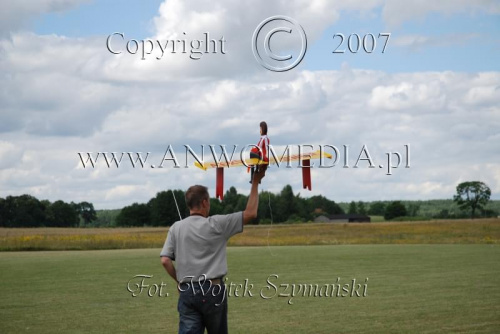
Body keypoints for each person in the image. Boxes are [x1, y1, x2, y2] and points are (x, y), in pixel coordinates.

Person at [160, 166, 267, 334]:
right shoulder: (217, 224)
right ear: (204, 202)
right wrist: (255, 182)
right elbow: (251, 213)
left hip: (187, 290)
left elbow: (165, 260)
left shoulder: (176, 227)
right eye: (208, 201)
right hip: (213, 290)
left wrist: (179, 281)